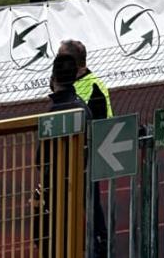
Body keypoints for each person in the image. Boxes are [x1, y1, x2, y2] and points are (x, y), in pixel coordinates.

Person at [35, 54, 92, 258]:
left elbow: (41, 159)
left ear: (53, 78)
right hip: (80, 181)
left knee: (48, 236)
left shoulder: (54, 112)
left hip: (57, 187)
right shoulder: (83, 106)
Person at [58, 40, 112, 257]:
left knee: (89, 202)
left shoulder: (93, 87)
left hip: (86, 158)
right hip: (66, 155)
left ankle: (99, 243)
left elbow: (103, 124)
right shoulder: (67, 83)